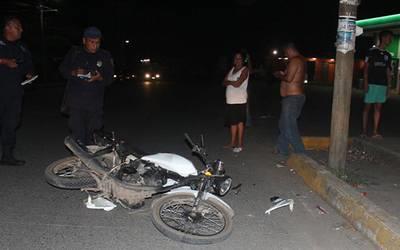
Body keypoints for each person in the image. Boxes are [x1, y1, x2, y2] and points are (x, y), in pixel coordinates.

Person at [59, 26, 114, 145]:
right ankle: (78, 162)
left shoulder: (105, 56)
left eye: (97, 42)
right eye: (91, 42)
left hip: (95, 104)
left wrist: (100, 78)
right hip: (76, 103)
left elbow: (110, 78)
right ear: (84, 41)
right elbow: (62, 69)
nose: (95, 45)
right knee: (78, 136)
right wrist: (73, 72)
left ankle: (91, 162)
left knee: (93, 136)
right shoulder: (75, 53)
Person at [0, 17, 33, 166]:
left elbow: (27, 64)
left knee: (11, 123)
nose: (21, 30)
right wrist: (4, 61)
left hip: (14, 92)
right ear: (8, 28)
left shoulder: (22, 46)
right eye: (18, 27)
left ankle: (7, 155)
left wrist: (29, 73)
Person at [273, 43, 306, 157]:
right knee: (283, 124)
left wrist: (279, 75)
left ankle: (301, 152)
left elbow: (289, 78)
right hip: (291, 98)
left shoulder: (295, 60)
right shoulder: (298, 60)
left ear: (289, 50)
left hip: (293, 98)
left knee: (289, 126)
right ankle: (282, 149)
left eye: (286, 53)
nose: (286, 55)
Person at [361, 30, 393, 139]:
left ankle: (375, 131)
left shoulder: (388, 55)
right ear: (383, 38)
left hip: (382, 85)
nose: (390, 40)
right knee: (367, 107)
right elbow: (366, 68)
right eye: (389, 38)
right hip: (371, 83)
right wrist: (365, 82)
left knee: (378, 108)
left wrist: (389, 87)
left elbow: (388, 71)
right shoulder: (371, 51)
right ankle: (364, 132)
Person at [223, 51, 250, 153]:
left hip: (239, 100)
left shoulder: (245, 70)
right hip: (230, 101)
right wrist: (231, 82)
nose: (237, 60)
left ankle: (240, 144)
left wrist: (230, 82)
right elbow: (223, 82)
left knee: (240, 123)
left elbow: (238, 84)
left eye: (239, 58)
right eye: (235, 58)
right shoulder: (232, 69)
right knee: (232, 123)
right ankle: (232, 143)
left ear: (243, 60)